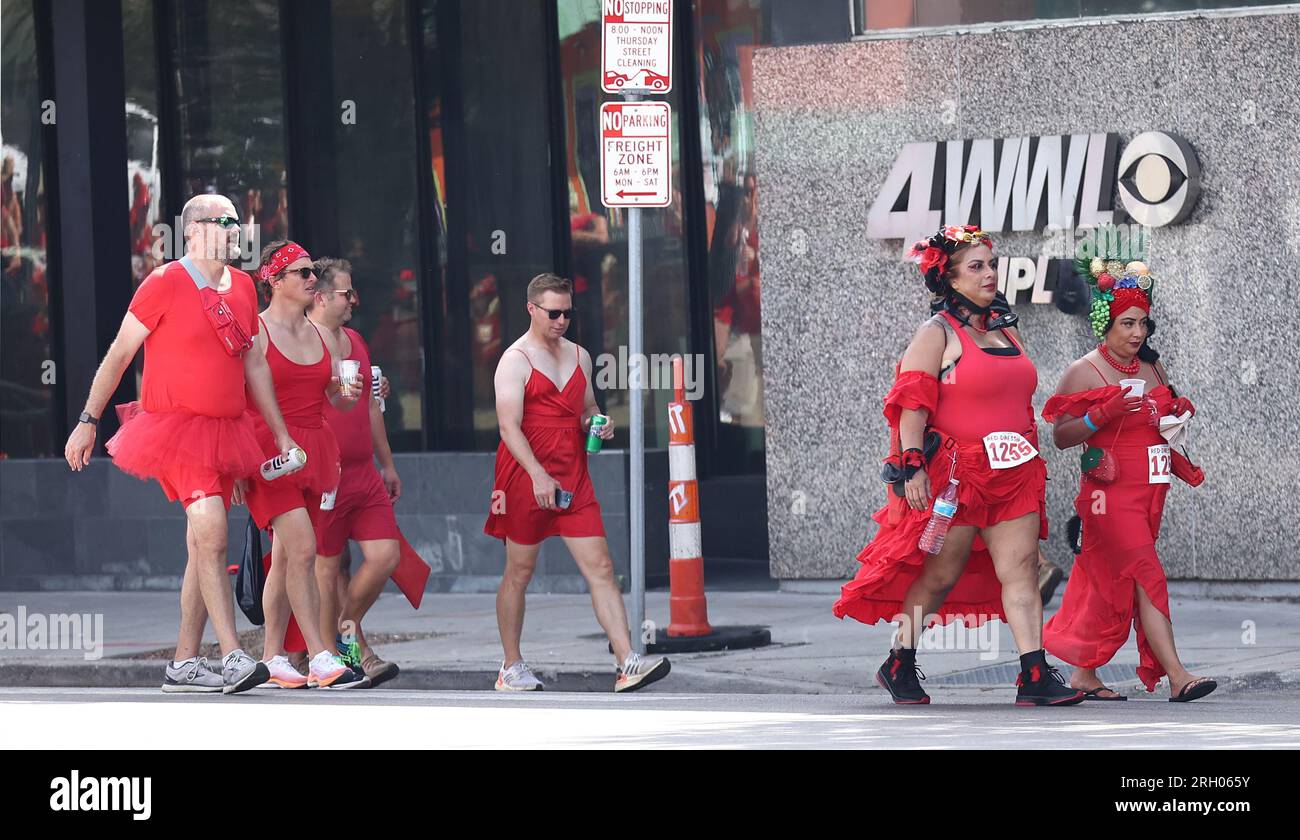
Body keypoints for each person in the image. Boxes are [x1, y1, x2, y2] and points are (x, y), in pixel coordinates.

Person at [833, 225, 1083, 707]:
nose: (990, 273)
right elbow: (911, 405)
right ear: (948, 277)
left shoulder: (1006, 328)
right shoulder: (935, 334)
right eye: (977, 266)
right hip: (956, 478)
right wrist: (912, 468)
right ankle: (899, 662)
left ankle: (1034, 674)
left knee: (1023, 572)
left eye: (992, 264)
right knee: (940, 576)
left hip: (1014, 473)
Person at [64, 193, 282, 694]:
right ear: (192, 231)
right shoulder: (164, 282)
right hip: (176, 431)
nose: (234, 230)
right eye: (223, 221)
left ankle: (183, 664)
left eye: (236, 221)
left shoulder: (245, 286)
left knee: (200, 545)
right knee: (211, 532)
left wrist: (280, 433)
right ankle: (232, 655)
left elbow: (253, 365)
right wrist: (87, 419)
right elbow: (121, 352)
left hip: (227, 431)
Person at [1041, 253, 1214, 702]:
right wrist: (1101, 413)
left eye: (1142, 324)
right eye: (1127, 324)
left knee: (1110, 579)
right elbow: (1061, 435)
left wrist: (1175, 412)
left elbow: (1161, 419)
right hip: (1108, 495)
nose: (1137, 333)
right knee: (1145, 573)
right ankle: (1178, 676)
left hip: (1150, 492)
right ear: (1106, 324)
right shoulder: (1084, 371)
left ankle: (1083, 673)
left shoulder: (1152, 367)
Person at [485, 273, 670, 693]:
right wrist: (537, 475)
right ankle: (510, 666)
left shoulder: (580, 356)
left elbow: (587, 407)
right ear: (531, 308)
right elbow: (508, 428)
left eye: (568, 312)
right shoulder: (515, 360)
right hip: (525, 472)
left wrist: (596, 423)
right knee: (520, 570)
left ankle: (627, 661)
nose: (562, 320)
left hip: (573, 471)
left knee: (602, 568)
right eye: (553, 313)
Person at [245, 240, 365, 689]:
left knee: (284, 557)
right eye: (301, 273)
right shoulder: (255, 330)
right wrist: (239, 466)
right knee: (303, 548)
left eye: (313, 271)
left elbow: (330, 392)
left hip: (315, 449)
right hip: (270, 452)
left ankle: (273, 656)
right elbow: (240, 397)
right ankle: (319, 654)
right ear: (275, 281)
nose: (312, 279)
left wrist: (345, 394)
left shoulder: (320, 332)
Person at [307, 257, 427, 687]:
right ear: (320, 297)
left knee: (385, 556)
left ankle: (342, 630)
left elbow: (371, 407)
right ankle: (332, 656)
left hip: (363, 473)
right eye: (346, 293)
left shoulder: (356, 340)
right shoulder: (304, 343)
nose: (354, 299)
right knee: (326, 567)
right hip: (323, 473)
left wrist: (388, 463)